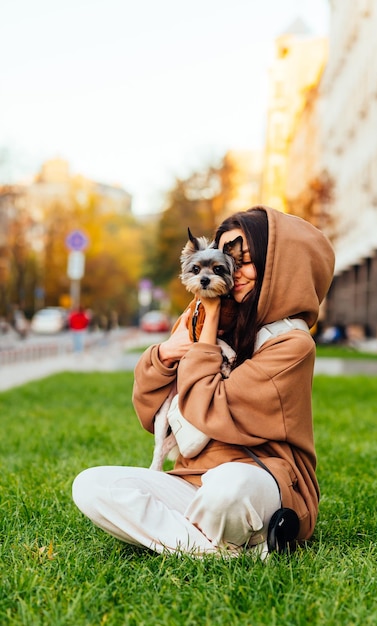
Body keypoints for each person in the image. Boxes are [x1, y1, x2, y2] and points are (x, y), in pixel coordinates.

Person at [72, 206, 335, 557]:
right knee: (91, 485)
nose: (235, 271)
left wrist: (208, 327)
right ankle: (223, 550)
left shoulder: (291, 344)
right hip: (190, 481)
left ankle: (176, 534)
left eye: (245, 260)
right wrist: (166, 353)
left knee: (228, 489)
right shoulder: (197, 321)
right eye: (230, 258)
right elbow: (148, 412)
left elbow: (206, 410)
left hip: (259, 478)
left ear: (278, 266)